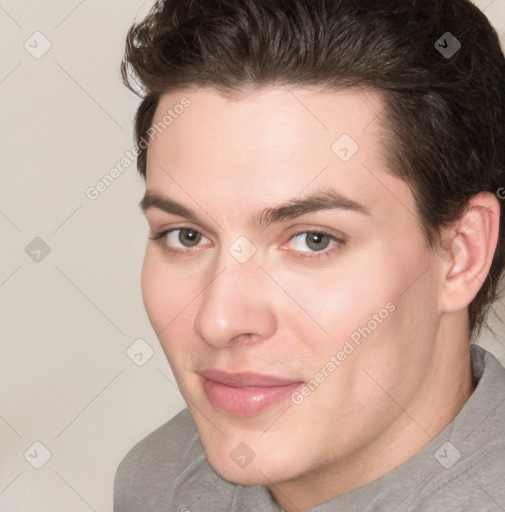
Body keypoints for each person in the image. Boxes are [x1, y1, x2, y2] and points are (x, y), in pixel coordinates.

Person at [113, 0, 505, 510]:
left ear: (461, 253)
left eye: (313, 240)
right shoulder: (159, 481)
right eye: (186, 235)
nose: (219, 320)